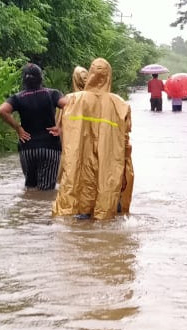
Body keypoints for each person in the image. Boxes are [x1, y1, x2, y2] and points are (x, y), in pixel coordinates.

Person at [52, 58, 133, 220]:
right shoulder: (120, 104)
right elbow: (125, 140)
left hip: (78, 169)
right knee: (105, 219)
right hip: (108, 167)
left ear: (90, 74)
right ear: (109, 75)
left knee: (75, 223)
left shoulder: (71, 100)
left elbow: (59, 131)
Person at [0, 63, 64, 190]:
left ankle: (29, 209)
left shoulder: (18, 97)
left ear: (24, 80)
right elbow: (70, 105)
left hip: (27, 147)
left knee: (30, 188)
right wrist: (60, 125)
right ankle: (41, 210)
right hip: (49, 147)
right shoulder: (52, 94)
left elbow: (2, 110)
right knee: (46, 191)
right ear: (41, 78)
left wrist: (18, 128)